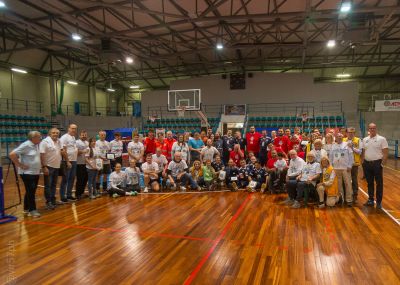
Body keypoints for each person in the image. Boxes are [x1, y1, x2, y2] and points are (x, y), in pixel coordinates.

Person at [9, 131, 42, 217]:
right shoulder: (26, 145)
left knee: (30, 190)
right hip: (27, 173)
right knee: (31, 191)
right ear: (33, 138)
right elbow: (12, 154)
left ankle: (26, 208)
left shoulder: (36, 145)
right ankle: (32, 210)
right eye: (39, 137)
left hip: (35, 172)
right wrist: (20, 165)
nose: (40, 138)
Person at [362, 123, 388, 209]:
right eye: (370, 128)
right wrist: (363, 162)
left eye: (373, 128)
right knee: (369, 183)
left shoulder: (382, 139)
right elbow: (363, 151)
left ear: (376, 129)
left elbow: (385, 152)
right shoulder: (365, 139)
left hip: (377, 164)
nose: (372, 129)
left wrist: (382, 164)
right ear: (368, 130)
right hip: (367, 164)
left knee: (379, 183)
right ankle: (370, 200)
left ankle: (379, 202)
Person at [39, 128, 62, 210]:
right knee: (48, 185)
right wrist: (44, 167)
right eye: (53, 133)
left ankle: (52, 200)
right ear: (49, 133)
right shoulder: (45, 142)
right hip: (48, 166)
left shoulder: (59, 141)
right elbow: (41, 155)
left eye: (57, 133)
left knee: (54, 185)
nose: (55, 134)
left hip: (56, 166)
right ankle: (48, 202)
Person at [329, 133, 354, 206]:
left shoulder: (347, 145)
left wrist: (350, 165)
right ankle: (341, 198)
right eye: (337, 136)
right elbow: (330, 157)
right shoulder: (333, 146)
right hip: (336, 168)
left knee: (348, 184)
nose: (339, 137)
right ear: (335, 138)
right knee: (338, 184)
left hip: (345, 168)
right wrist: (331, 167)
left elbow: (351, 156)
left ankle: (349, 199)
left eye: (340, 136)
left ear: (343, 137)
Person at [59, 124, 78, 202]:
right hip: (67, 161)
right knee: (65, 179)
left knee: (72, 178)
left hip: (74, 160)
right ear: (68, 128)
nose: (74, 130)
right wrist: (67, 161)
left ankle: (69, 195)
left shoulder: (73, 137)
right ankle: (63, 196)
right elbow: (63, 150)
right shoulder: (64, 137)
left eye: (75, 129)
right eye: (72, 128)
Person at [344, 127, 363, 203]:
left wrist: (352, 147)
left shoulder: (358, 140)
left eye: (352, 132)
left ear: (354, 133)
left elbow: (360, 152)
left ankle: (355, 196)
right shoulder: (343, 140)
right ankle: (346, 195)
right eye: (349, 132)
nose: (350, 134)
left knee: (354, 180)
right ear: (346, 133)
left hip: (354, 164)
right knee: (345, 180)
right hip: (345, 164)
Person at [75, 130, 89, 199]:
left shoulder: (87, 142)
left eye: (85, 135)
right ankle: (77, 194)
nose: (84, 136)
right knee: (80, 179)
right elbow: (75, 152)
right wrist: (83, 151)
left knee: (85, 179)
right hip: (79, 163)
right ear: (80, 135)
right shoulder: (77, 142)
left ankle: (82, 193)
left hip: (86, 164)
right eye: (83, 135)